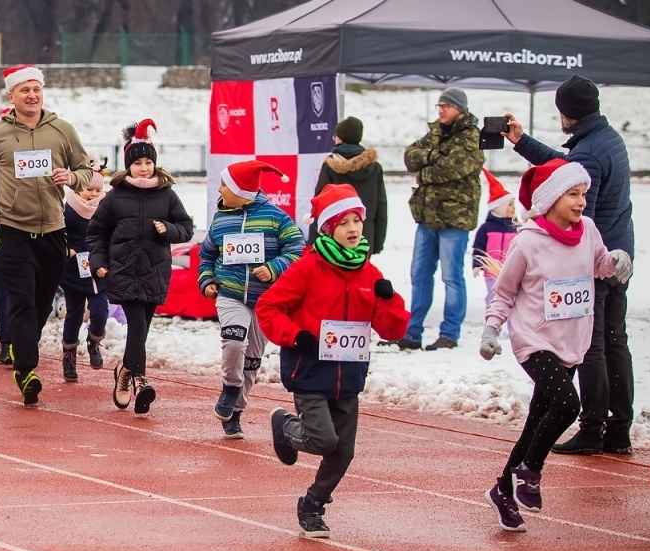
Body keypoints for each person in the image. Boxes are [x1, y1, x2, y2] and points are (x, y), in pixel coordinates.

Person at [479, 159, 631, 530]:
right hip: (534, 340)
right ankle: (531, 471)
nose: (581, 202)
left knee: (536, 422)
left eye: (583, 194)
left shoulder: (589, 229)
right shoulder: (528, 242)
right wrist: (491, 330)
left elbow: (599, 266)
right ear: (550, 199)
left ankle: (503, 488)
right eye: (572, 195)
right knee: (567, 404)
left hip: (571, 340)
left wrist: (616, 260)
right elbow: (504, 292)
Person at [258, 186, 410, 538]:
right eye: (345, 222)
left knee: (343, 453)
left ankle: (313, 504)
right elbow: (269, 308)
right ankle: (285, 425)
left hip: (349, 376)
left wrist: (390, 301)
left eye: (357, 220)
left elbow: (391, 329)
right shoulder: (307, 267)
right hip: (309, 370)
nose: (354, 228)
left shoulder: (369, 272)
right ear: (328, 228)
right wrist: (295, 336)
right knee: (323, 441)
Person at [505, 75, 636, 455]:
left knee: (591, 347)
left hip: (596, 263)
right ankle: (618, 427)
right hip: (620, 254)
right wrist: (522, 143)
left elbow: (579, 220)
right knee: (615, 343)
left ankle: (593, 426)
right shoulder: (606, 139)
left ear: (566, 112)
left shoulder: (588, 154)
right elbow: (566, 168)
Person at [0, 65, 93, 405]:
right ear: (11, 95)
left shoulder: (62, 130)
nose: (32, 95)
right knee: (21, 299)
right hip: (12, 230)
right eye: (24, 90)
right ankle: (26, 370)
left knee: (40, 304)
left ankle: (22, 345)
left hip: (53, 230)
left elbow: (86, 170)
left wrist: (72, 177)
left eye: (36, 89)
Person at [89, 121, 195, 412]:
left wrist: (168, 230)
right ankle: (140, 381)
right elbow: (96, 232)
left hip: (154, 271)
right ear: (129, 165)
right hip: (122, 272)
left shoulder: (167, 195)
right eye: (138, 162)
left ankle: (123, 372)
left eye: (148, 161)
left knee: (142, 330)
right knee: (136, 326)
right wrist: (99, 263)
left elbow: (186, 228)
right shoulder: (115, 197)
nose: (144, 167)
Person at [198, 159, 304, 438]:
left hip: (266, 301)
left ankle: (236, 412)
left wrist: (273, 267)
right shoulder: (221, 219)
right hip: (231, 295)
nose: (220, 190)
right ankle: (230, 388)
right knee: (233, 341)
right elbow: (207, 254)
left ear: (241, 190)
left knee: (252, 360)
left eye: (225, 184)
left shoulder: (276, 217)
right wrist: (207, 280)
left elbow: (297, 249)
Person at [400, 87, 483, 351]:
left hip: (454, 220)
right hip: (427, 216)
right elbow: (410, 156)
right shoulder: (435, 132)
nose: (441, 110)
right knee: (419, 275)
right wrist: (433, 157)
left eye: (446, 105)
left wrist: (426, 170)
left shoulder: (471, 137)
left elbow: (454, 169)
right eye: (439, 105)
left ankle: (450, 334)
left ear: (460, 108)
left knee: (452, 277)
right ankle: (412, 333)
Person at [59, 168, 109, 382]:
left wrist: (106, 260)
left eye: (97, 190)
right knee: (74, 315)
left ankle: (94, 341)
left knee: (100, 312)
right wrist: (67, 248)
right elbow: (59, 232)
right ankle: (69, 356)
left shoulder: (106, 209)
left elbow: (112, 236)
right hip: (73, 270)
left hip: (98, 271)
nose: (93, 194)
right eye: (89, 190)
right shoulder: (68, 209)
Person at [311, 116, 387, 255]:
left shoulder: (330, 166)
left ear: (339, 138)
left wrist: (313, 240)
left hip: (335, 236)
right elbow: (381, 207)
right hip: (364, 234)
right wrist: (378, 243)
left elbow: (320, 204)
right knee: (361, 275)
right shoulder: (375, 168)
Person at [471, 170, 517, 309]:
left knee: (513, 301)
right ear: (500, 208)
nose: (513, 209)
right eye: (510, 205)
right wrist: (477, 264)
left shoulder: (516, 228)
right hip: (491, 273)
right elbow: (479, 248)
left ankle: (512, 329)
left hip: (512, 273)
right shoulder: (486, 228)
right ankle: (492, 327)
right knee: (493, 298)